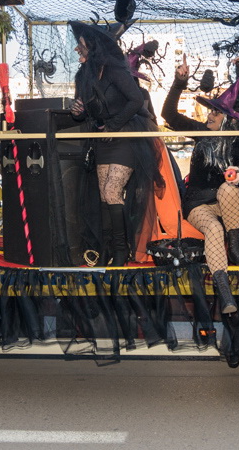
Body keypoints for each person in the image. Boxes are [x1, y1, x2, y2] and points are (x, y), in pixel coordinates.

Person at [162, 57, 239, 312]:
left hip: (228, 203)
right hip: (199, 203)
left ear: (227, 119)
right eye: (211, 110)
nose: (210, 114)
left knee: (228, 187)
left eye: (215, 112)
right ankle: (225, 293)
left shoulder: (238, 141)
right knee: (212, 229)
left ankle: (234, 247)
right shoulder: (200, 132)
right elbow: (169, 115)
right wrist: (179, 82)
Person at [69, 20, 180, 266]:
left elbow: (134, 101)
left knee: (112, 191)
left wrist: (114, 124)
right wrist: (77, 110)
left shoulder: (115, 71)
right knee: (104, 194)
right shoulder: (83, 76)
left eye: (81, 44)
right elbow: (83, 112)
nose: (77, 49)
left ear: (92, 46)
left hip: (127, 135)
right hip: (103, 139)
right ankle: (109, 247)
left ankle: (121, 250)